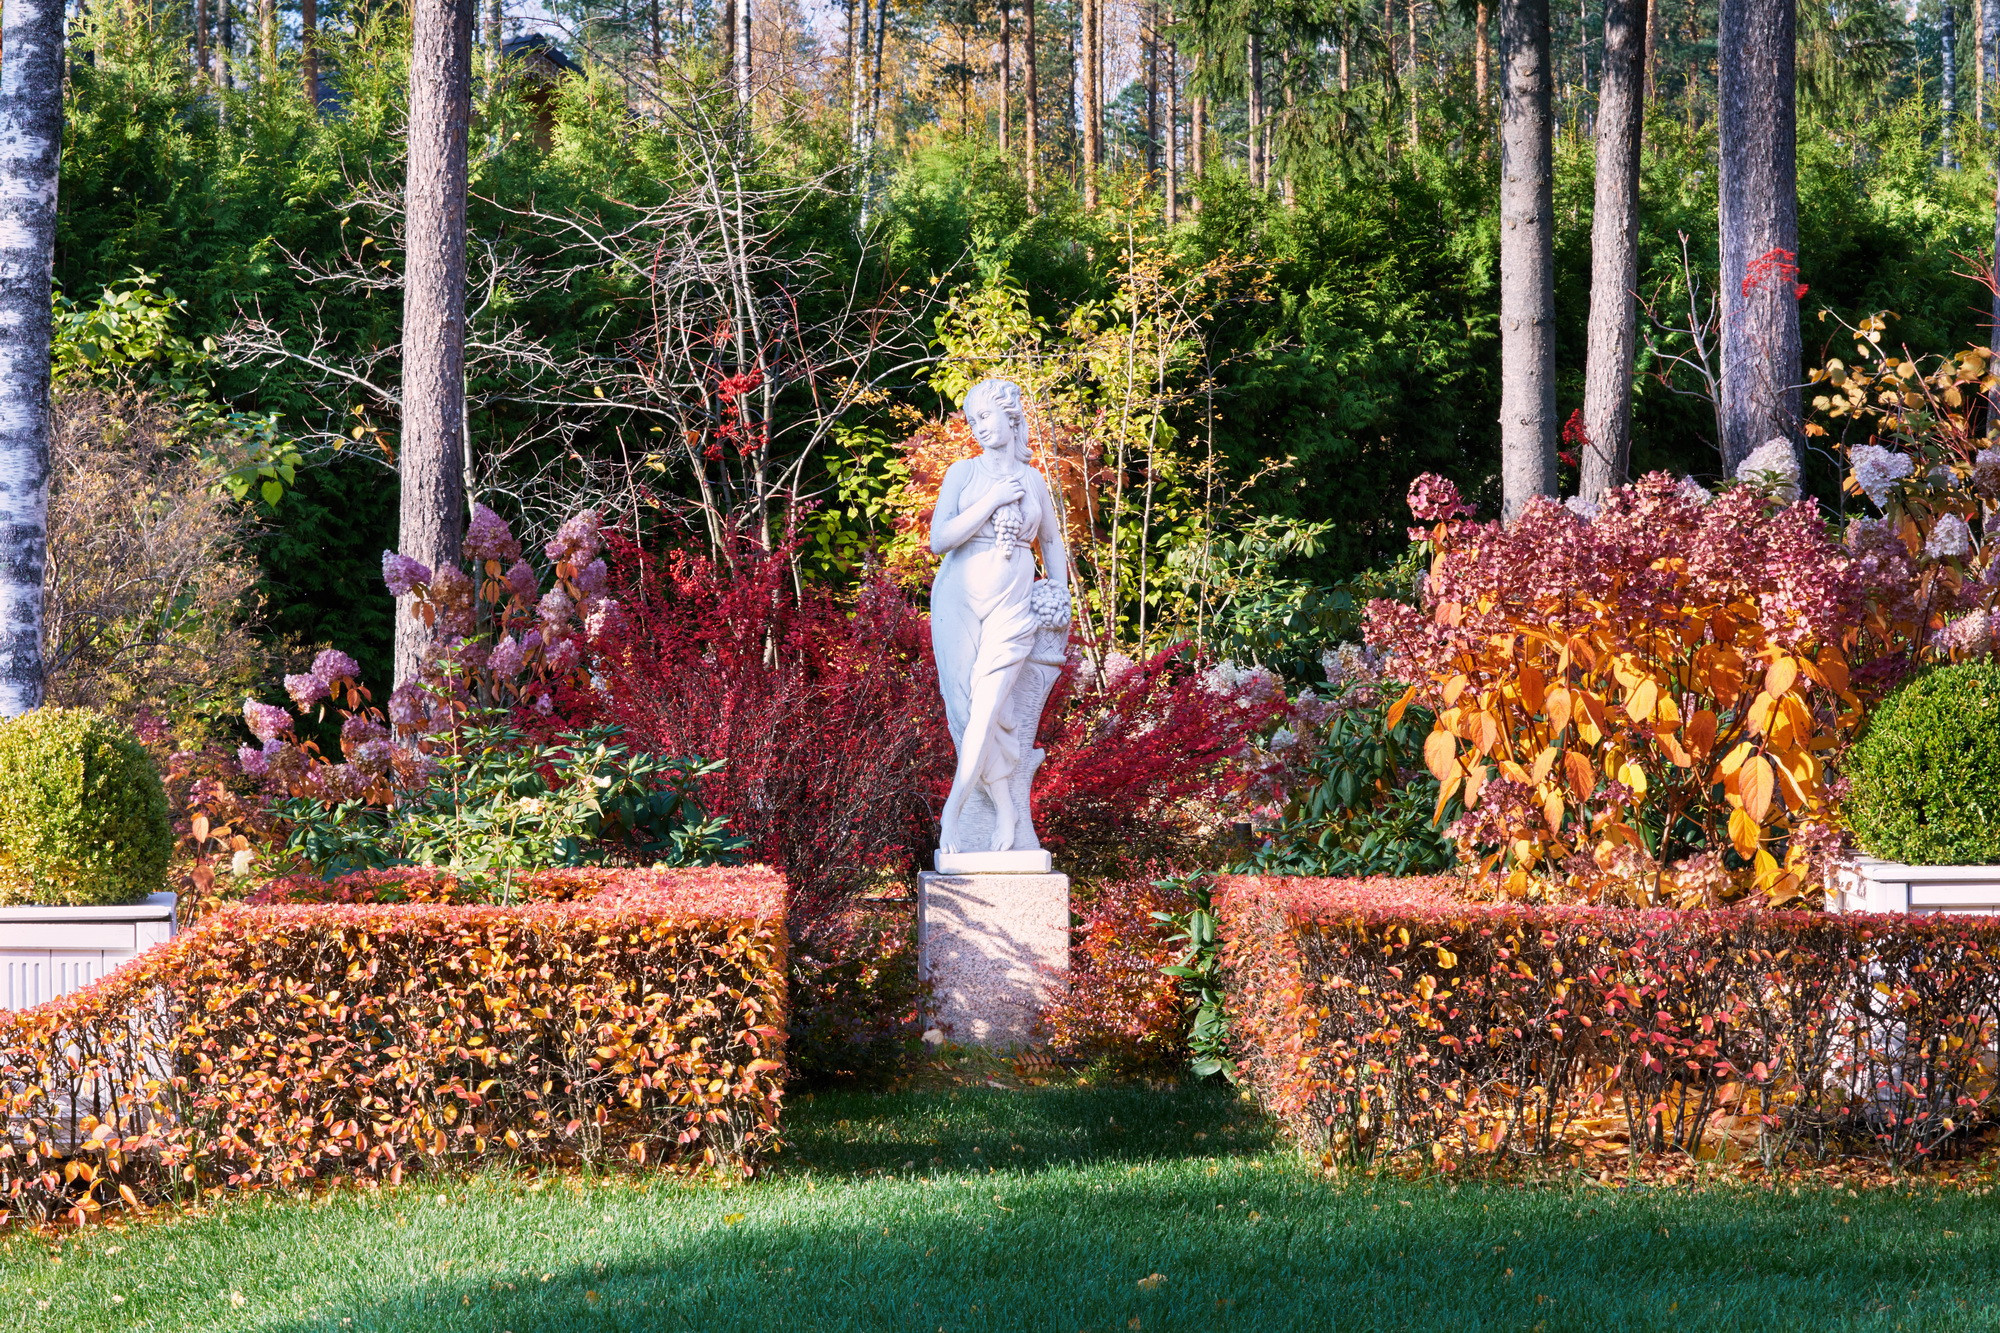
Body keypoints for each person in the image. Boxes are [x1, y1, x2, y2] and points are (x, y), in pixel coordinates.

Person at [929, 378, 1070, 855]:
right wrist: (991, 501)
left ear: (1011, 418)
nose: (979, 427)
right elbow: (940, 540)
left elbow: (1051, 541)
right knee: (965, 712)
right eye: (972, 420)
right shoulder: (962, 474)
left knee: (991, 710)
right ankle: (1005, 809)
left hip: (1012, 600)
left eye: (986, 416)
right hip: (958, 598)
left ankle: (953, 811)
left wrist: (1059, 594)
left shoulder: (1033, 480)